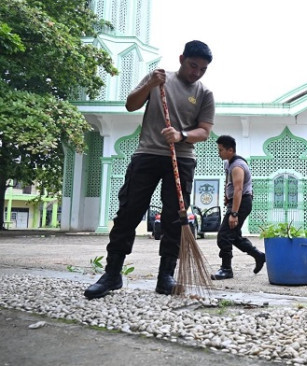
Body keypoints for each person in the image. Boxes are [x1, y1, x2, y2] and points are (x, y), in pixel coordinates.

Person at [84, 40, 215, 299]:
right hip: (147, 154)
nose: (196, 73)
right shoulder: (159, 79)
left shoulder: (204, 93)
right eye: (193, 66)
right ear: (181, 59)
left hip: (182, 158)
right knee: (129, 213)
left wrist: (181, 134)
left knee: (175, 219)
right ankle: (112, 274)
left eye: (202, 69)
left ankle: (165, 275)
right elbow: (131, 104)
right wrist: (150, 85)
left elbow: (204, 131)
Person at [211, 135, 266, 280]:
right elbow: (229, 184)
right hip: (236, 201)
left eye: (221, 150)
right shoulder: (228, 163)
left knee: (224, 235)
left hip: (241, 202)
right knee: (233, 236)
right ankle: (259, 256)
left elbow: (238, 190)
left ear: (230, 150)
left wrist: (234, 213)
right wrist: (226, 196)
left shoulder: (237, 166)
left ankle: (226, 269)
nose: (219, 152)